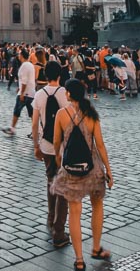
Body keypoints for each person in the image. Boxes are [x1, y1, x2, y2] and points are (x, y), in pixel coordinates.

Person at [51, 79, 112, 270]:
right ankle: (95, 248)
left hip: (71, 169)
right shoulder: (91, 114)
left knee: (75, 212)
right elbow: (100, 145)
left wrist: (58, 160)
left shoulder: (62, 114)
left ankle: (79, 259)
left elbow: (56, 142)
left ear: (68, 94)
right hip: (92, 167)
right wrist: (109, 169)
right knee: (97, 205)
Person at [31, 61, 70, 247]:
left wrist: (35, 146)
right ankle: (59, 231)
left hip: (46, 145)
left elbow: (34, 124)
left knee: (50, 180)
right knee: (62, 185)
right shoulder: (65, 93)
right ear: (59, 75)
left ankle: (50, 216)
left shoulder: (39, 94)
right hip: (62, 147)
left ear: (45, 75)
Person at [2, 48, 36, 137]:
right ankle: (35, 130)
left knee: (17, 111)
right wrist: (19, 88)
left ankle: (12, 128)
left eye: (19, 54)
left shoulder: (24, 66)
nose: (18, 56)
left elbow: (24, 81)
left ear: (22, 56)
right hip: (31, 92)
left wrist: (21, 92)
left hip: (25, 93)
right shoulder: (30, 65)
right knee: (32, 113)